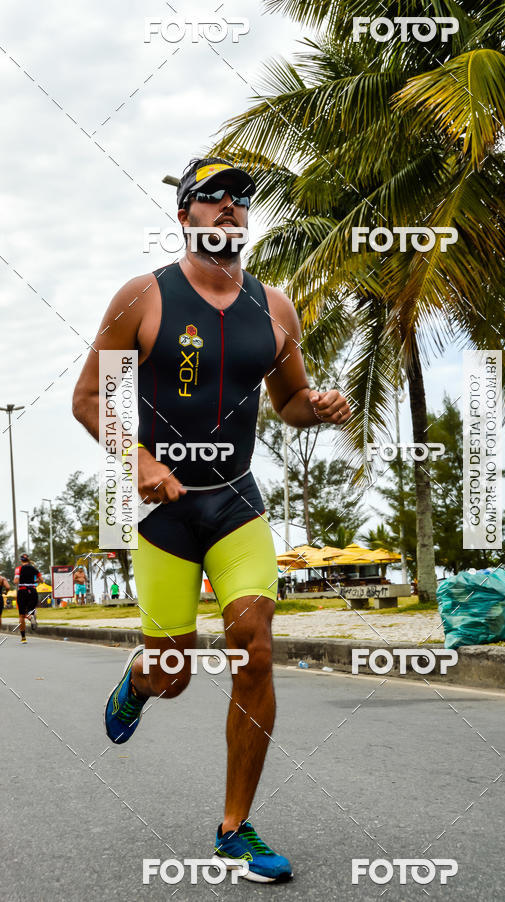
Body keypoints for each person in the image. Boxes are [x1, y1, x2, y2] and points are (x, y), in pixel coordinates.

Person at [72, 156, 351, 883]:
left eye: (242, 199)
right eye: (214, 196)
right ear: (185, 215)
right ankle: (140, 681)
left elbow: (289, 403)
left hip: (236, 503)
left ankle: (235, 830)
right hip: (167, 513)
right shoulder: (144, 298)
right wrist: (139, 464)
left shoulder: (276, 308)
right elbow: (89, 400)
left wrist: (313, 407)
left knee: (253, 646)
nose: (231, 206)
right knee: (174, 674)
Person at [13, 554, 44, 643]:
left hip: (22, 591)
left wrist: (20, 580)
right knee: (31, 610)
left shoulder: (18, 569)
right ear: (28, 560)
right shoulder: (33, 569)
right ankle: (31, 616)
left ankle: (23, 638)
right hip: (33, 591)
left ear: (21, 560)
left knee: (21, 615)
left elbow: (15, 581)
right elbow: (41, 580)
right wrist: (33, 581)